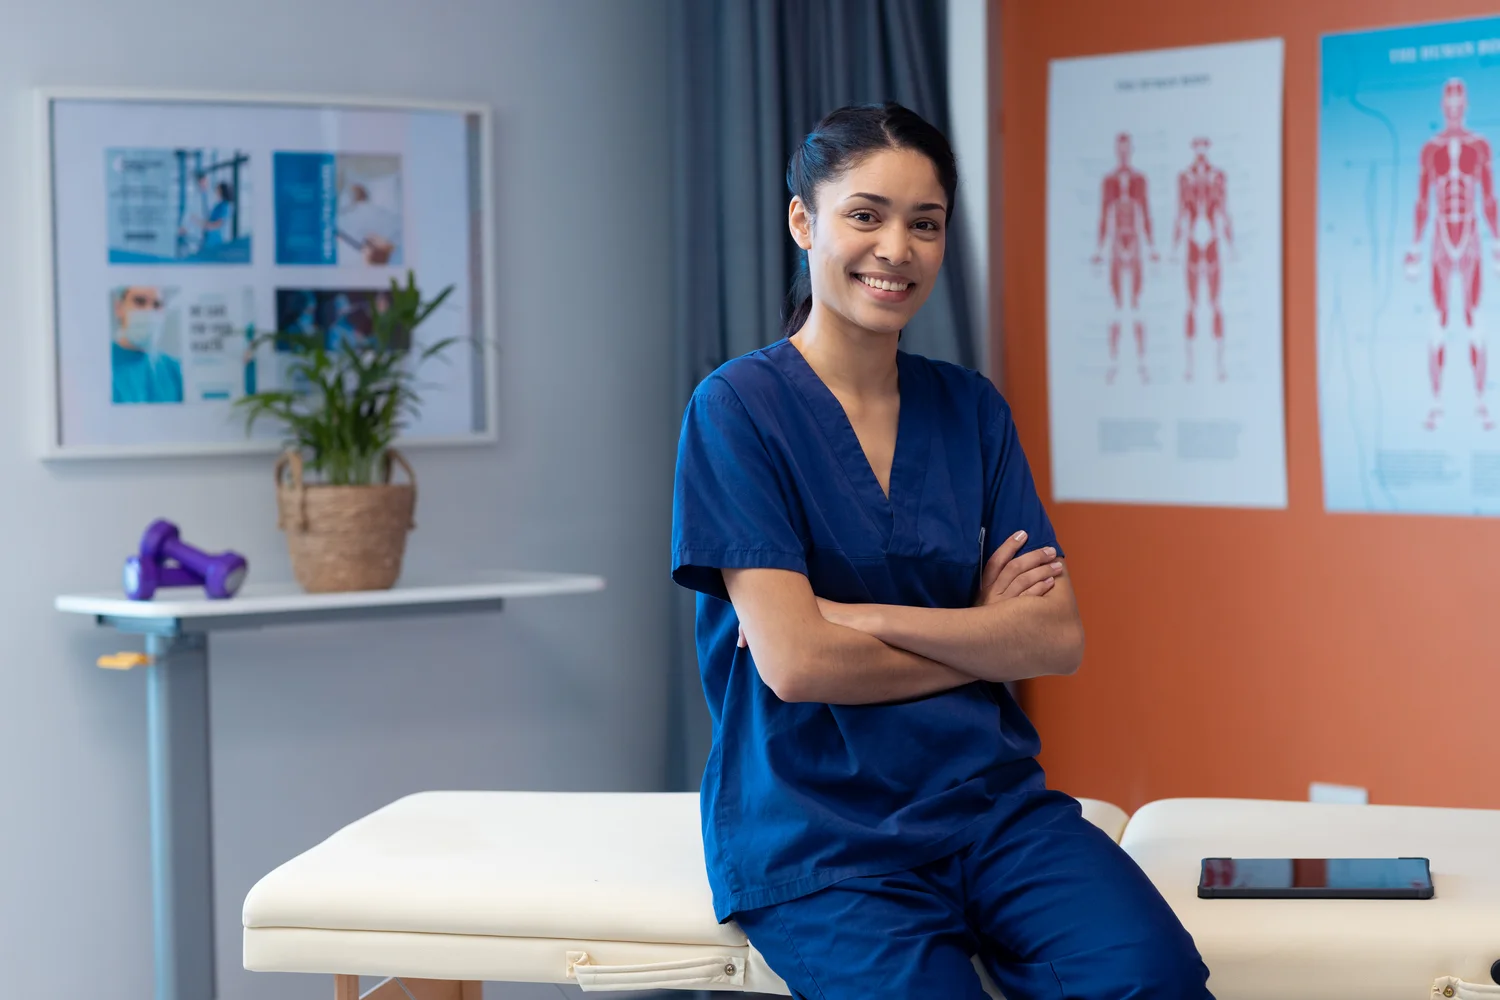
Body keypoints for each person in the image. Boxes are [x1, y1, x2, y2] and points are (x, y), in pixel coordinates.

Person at [670, 103, 1213, 999]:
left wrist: (863, 617)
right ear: (804, 221)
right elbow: (798, 665)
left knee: (1149, 979)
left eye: (924, 225)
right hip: (822, 836)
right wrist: (975, 632)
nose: (897, 248)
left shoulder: (972, 409)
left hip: (990, 809)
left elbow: (1054, 640)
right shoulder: (736, 411)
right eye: (866, 215)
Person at [1405, 77, 1499, 431]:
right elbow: (1421, 202)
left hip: (1471, 237)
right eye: (1450, 104)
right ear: (1444, 108)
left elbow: (1489, 199)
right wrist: (1414, 247)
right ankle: (1436, 403)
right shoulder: (1430, 150)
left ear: (1466, 106)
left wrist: (1497, 244)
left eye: (1460, 104)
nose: (1455, 110)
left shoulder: (1480, 146)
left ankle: (1480, 402)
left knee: (1475, 320)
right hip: (1441, 240)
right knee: (1438, 321)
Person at [1092, 131, 1158, 384]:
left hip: (1136, 246)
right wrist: (1099, 250)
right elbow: (1104, 215)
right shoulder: (1108, 181)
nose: (1123, 153)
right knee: (1118, 308)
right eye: (1120, 148)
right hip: (1116, 248)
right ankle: (1114, 363)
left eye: (1126, 148)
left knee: (1138, 305)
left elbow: (1146, 213)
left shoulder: (1140, 180)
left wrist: (1151, 247)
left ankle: (1142, 364)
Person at [1172, 136, 1233, 382]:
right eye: (1196, 145)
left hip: (1212, 243)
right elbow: (1180, 213)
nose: (1200, 150)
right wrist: (1174, 247)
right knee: (1192, 305)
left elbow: (1224, 211)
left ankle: (1220, 366)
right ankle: (1189, 367)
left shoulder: (1218, 176)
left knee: (1216, 304)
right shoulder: (1184, 177)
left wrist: (1231, 245)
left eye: (1204, 146)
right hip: (1192, 244)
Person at [111, 286, 183, 404]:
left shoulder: (175, 370)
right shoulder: (102, 365)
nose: (149, 311)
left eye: (156, 305)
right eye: (139, 302)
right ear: (119, 308)